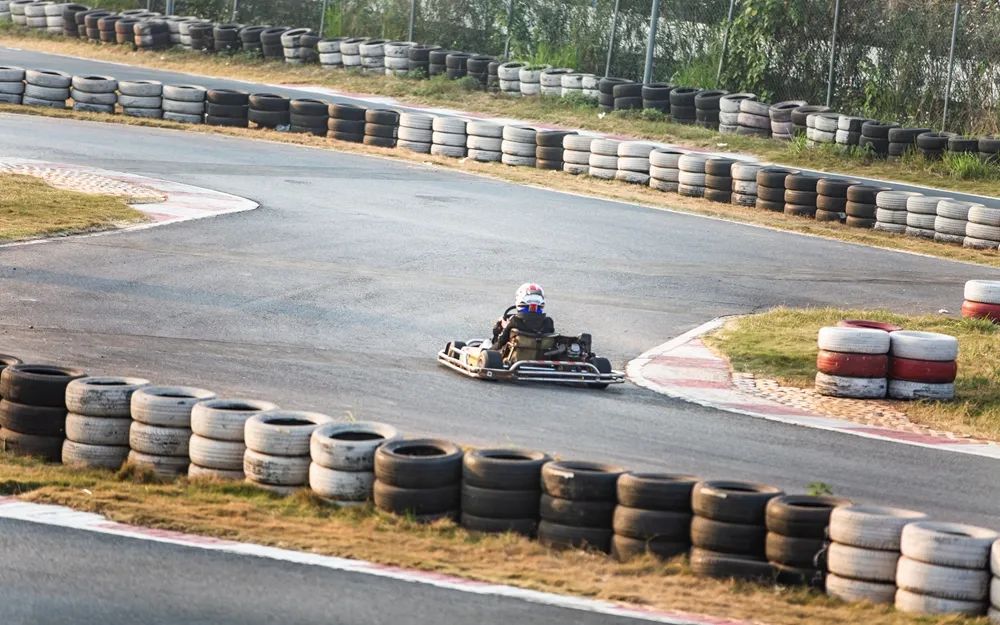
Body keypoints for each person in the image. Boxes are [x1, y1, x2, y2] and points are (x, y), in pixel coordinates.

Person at [491, 282, 555, 349]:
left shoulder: (515, 321)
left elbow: (499, 344)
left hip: (515, 357)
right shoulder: (548, 322)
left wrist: (502, 329)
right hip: (541, 356)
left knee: (486, 343)